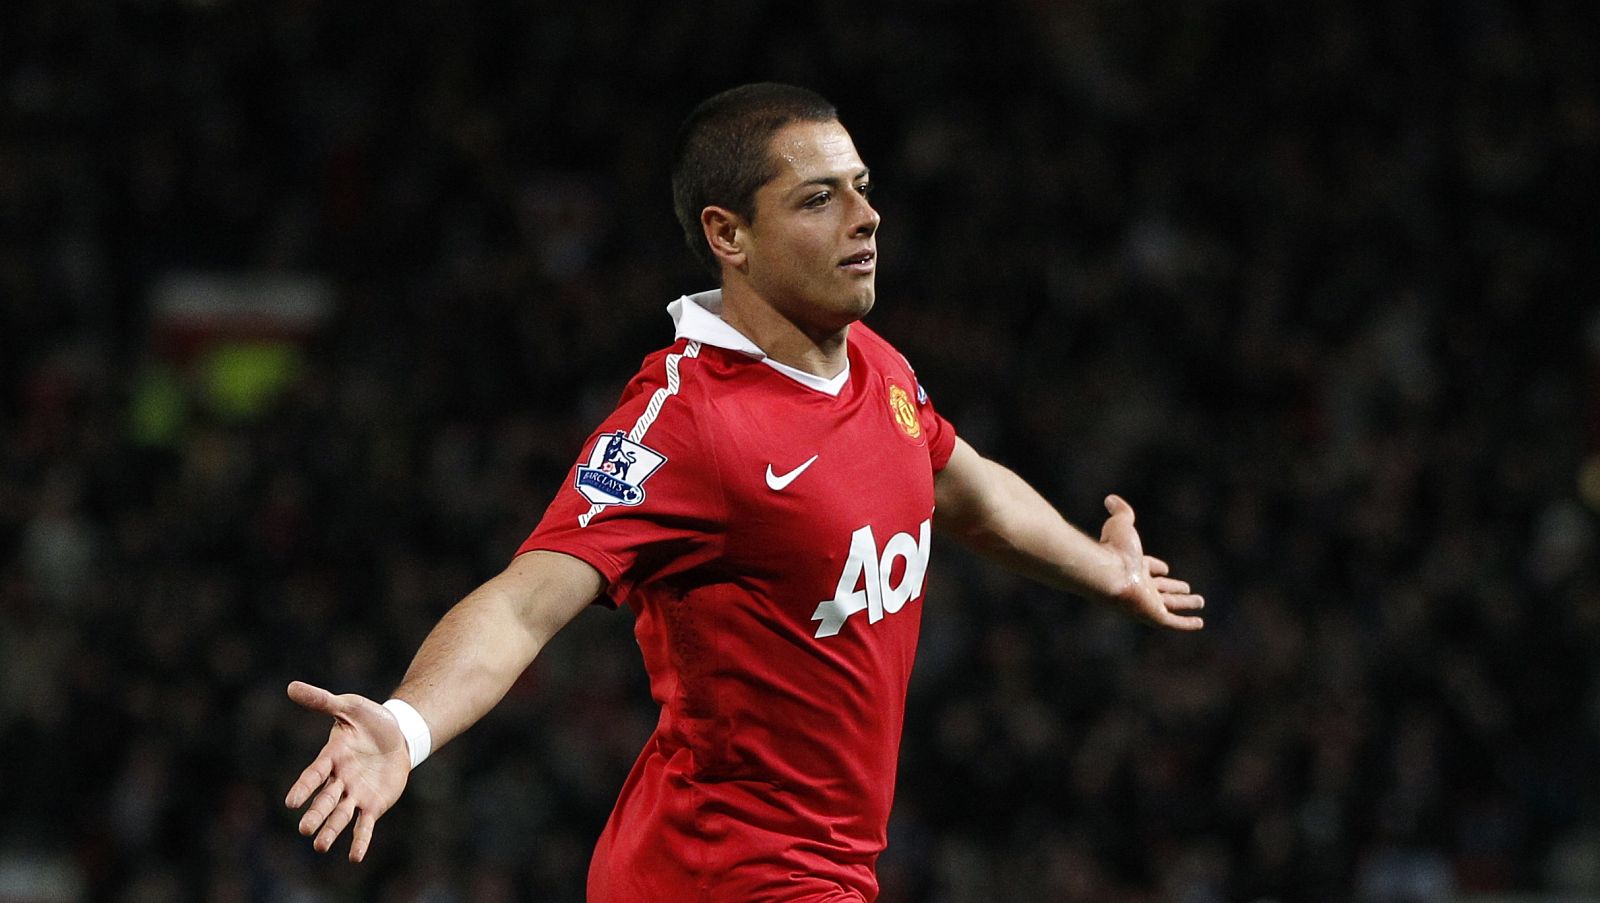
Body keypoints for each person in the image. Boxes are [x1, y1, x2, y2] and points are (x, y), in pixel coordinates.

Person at [284, 82, 1205, 902]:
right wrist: (404, 725)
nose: (866, 216)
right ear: (729, 235)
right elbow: (526, 602)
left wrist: (1107, 571)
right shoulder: (686, 424)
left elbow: (971, 492)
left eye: (862, 186)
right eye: (819, 198)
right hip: (728, 873)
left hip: (790, 868)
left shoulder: (876, 368)